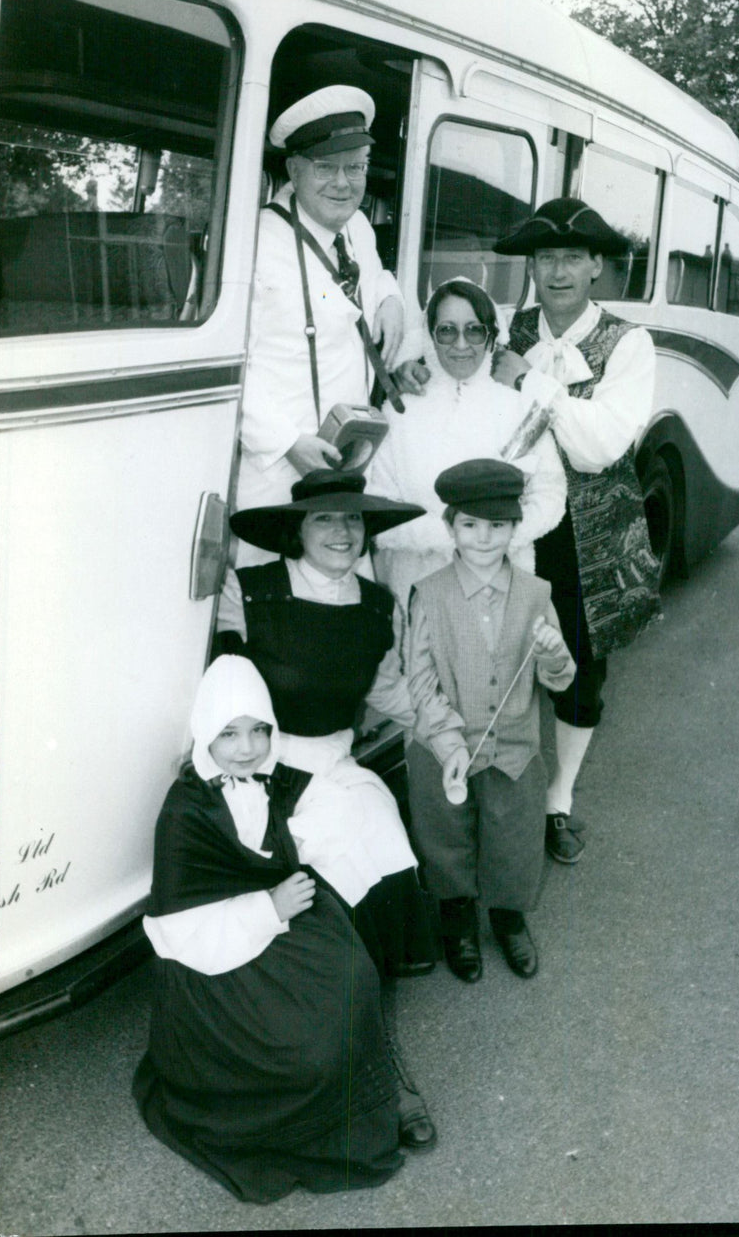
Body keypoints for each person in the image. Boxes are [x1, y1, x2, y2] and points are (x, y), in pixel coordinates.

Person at [216, 468, 440, 1148]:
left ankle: (374, 1055)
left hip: (338, 769)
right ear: (296, 529)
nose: (343, 532)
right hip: (260, 774)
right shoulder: (247, 592)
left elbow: (391, 694)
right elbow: (219, 697)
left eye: (354, 520)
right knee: (311, 889)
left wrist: (450, 734)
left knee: (372, 832)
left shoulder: (378, 604)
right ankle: (327, 1062)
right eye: (325, 519)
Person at [133, 655, 404, 1203]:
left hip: (273, 919)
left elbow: (318, 800)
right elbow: (180, 930)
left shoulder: (267, 778)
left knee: (351, 973)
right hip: (216, 957)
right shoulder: (185, 811)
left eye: (259, 730)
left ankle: (371, 1103)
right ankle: (311, 1126)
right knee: (300, 1042)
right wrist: (270, 907)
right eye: (229, 733)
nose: (247, 747)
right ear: (205, 733)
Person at [489, 198, 662, 865]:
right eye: (545, 258)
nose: (557, 271)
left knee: (581, 672)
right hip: (523, 524)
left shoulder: (628, 342)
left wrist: (533, 383)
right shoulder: (508, 328)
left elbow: (601, 445)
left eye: (572, 257)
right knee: (507, 659)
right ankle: (503, 792)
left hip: (593, 538)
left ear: (597, 265)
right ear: (531, 265)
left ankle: (558, 800)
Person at [406, 460, 576, 984]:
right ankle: (456, 919)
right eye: (470, 525)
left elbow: (562, 679)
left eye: (497, 526)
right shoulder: (427, 593)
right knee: (446, 839)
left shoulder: (537, 593)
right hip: (442, 749)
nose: (484, 538)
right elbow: (420, 681)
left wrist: (552, 652)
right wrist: (450, 742)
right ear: (449, 526)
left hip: (515, 749)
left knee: (514, 839)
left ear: (514, 527)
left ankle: (508, 919)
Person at [235, 83, 406, 565]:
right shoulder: (251, 244)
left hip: (344, 469)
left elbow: (368, 279)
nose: (343, 183)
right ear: (293, 169)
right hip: (277, 473)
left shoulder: (357, 228)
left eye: (355, 168)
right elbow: (227, 363)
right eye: (326, 167)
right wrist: (286, 441)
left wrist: (390, 297)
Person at [366, 277, 567, 620]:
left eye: (474, 330)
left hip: (502, 586)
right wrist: (456, 537)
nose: (461, 344)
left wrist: (501, 537)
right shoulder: (399, 412)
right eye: (447, 330)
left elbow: (550, 494)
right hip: (415, 588)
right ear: (431, 335)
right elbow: (378, 507)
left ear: (490, 336)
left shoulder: (518, 407)